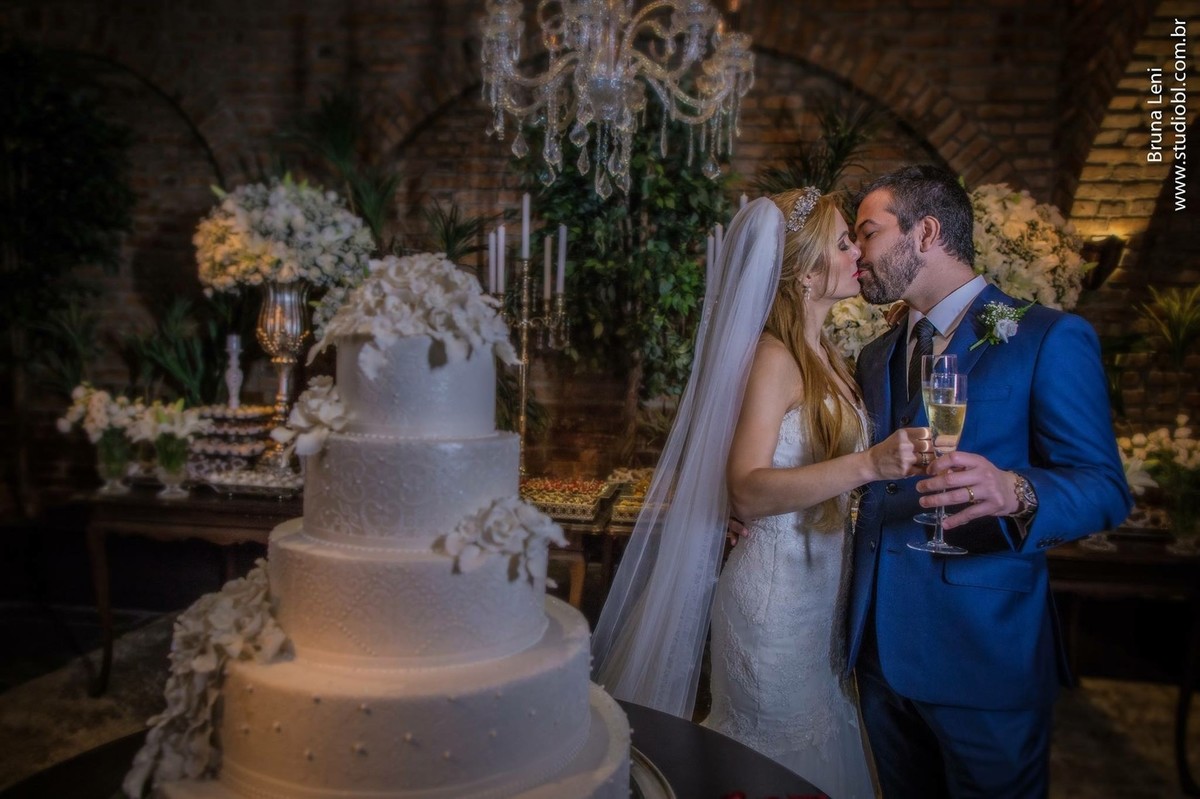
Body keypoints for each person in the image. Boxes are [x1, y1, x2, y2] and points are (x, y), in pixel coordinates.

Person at [591, 189, 928, 798]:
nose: (858, 252)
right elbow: (746, 490)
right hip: (772, 601)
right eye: (843, 243)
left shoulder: (826, 354)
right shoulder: (773, 359)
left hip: (822, 592)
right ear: (803, 273)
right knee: (773, 757)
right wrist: (870, 464)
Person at [846, 164, 1133, 797]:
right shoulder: (875, 355)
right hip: (875, 651)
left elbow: (1104, 486)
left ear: (924, 233)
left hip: (983, 652)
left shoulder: (1046, 338)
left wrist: (1019, 492)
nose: (856, 254)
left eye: (867, 233)